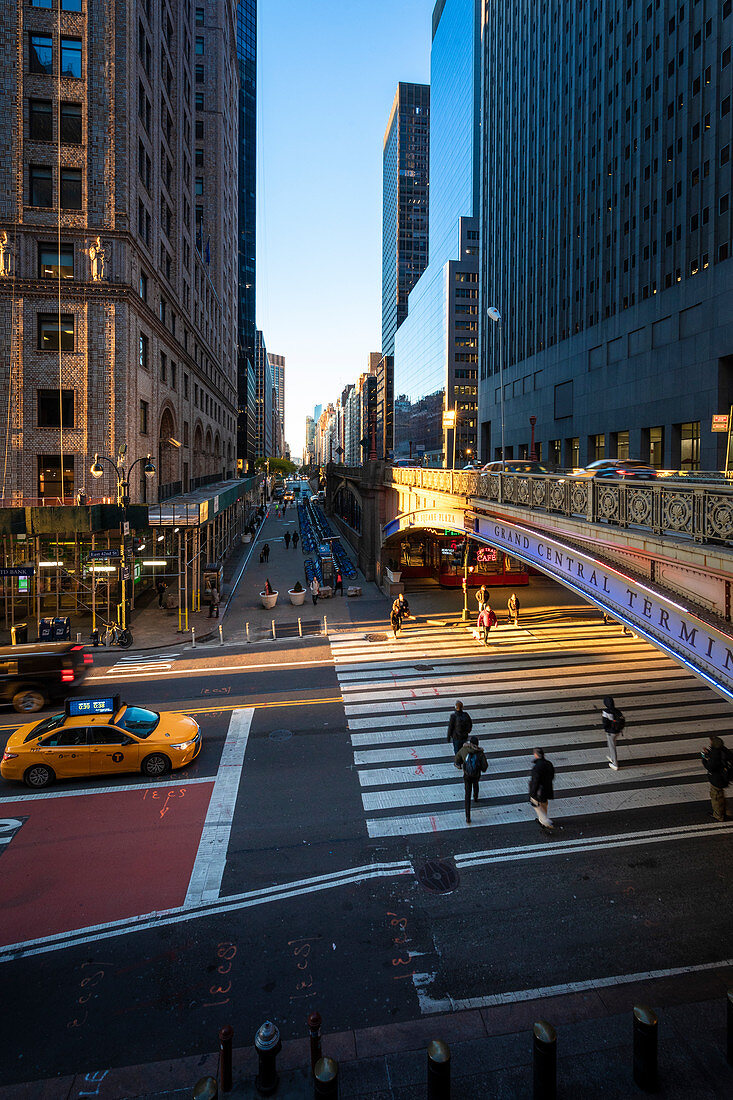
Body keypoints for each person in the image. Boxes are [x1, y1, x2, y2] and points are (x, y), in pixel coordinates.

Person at [454, 735, 488, 824]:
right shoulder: (480, 753)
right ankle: (476, 797)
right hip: (476, 775)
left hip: (467, 776)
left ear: (470, 743)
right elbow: (485, 767)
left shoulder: (465, 749)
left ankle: (468, 816)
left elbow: (457, 759)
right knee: (476, 784)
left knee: (467, 794)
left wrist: (462, 764)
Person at [701, 735, 732, 821]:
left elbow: (710, 767)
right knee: (721, 795)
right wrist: (709, 753)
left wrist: (704, 758)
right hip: (724, 778)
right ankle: (726, 812)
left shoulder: (715, 755)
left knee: (716, 797)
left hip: (716, 779)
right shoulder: (724, 750)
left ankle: (719, 816)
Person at [529, 747, 556, 830]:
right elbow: (552, 776)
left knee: (536, 804)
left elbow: (535, 781)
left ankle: (545, 821)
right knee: (544, 804)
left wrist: (532, 793)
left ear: (536, 755)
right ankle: (543, 820)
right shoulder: (549, 763)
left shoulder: (537, 767)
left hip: (539, 791)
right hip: (547, 788)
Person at [601, 695, 625, 771]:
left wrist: (606, 729)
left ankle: (615, 764)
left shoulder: (606, 712)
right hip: (617, 731)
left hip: (610, 732)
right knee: (612, 744)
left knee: (612, 747)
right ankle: (612, 758)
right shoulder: (617, 711)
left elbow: (605, 723)